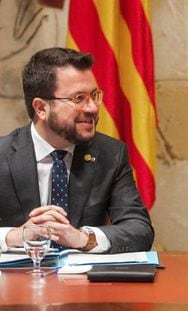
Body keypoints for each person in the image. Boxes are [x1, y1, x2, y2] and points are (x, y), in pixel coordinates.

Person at [0, 47, 154, 253]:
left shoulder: (110, 154)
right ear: (41, 108)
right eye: (78, 98)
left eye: (94, 95)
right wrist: (14, 236)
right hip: (15, 282)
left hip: (84, 282)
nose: (92, 108)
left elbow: (139, 230)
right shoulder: (3, 155)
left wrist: (83, 238)